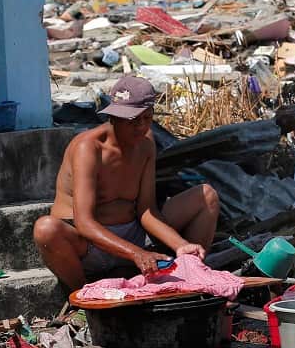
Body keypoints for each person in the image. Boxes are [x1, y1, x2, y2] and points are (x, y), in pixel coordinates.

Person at [33, 76, 220, 290]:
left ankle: (191, 273)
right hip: (89, 245)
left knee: (206, 195)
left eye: (147, 119)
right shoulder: (88, 148)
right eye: (132, 121)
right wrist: (136, 253)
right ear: (114, 117)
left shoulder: (146, 144)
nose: (140, 127)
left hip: (133, 235)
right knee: (45, 228)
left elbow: (147, 211)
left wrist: (182, 246)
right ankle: (83, 296)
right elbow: (84, 223)